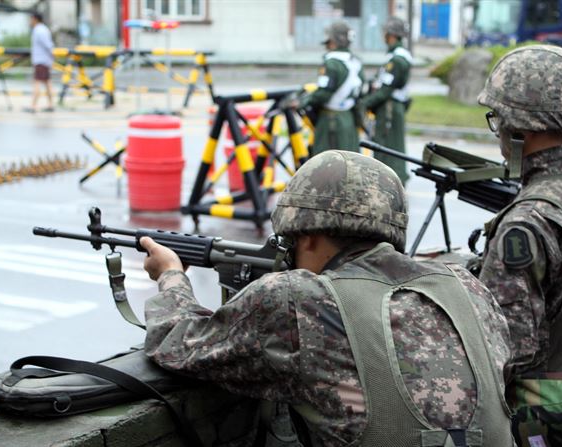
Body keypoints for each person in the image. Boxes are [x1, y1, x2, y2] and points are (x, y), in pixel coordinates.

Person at [141, 150, 515, 446]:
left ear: (308, 237)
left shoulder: (298, 298)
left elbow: (173, 343)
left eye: (288, 244)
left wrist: (171, 275)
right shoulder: (466, 286)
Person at [477, 45, 562, 444]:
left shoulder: (528, 221)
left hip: (532, 413)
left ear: (520, 129)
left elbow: (507, 347)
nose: (497, 129)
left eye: (497, 118)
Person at [359, 16, 412, 184]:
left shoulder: (397, 59)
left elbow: (386, 91)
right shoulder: (394, 56)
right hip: (390, 107)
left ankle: (392, 182)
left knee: (389, 146)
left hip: (390, 108)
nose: (383, 35)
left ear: (391, 35)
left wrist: (365, 103)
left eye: (385, 32)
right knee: (387, 145)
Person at [298, 21, 364, 155]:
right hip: (349, 119)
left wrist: (302, 102)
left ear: (333, 42)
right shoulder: (356, 62)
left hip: (331, 121)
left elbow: (323, 93)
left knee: (327, 165)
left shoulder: (331, 63)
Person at [26, 12, 54, 113]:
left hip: (41, 60)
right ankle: (51, 104)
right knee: (47, 83)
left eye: (31, 19)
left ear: (35, 19)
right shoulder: (43, 29)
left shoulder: (39, 30)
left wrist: (51, 56)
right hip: (44, 60)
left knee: (37, 82)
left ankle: (33, 105)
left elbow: (48, 45)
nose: (30, 21)